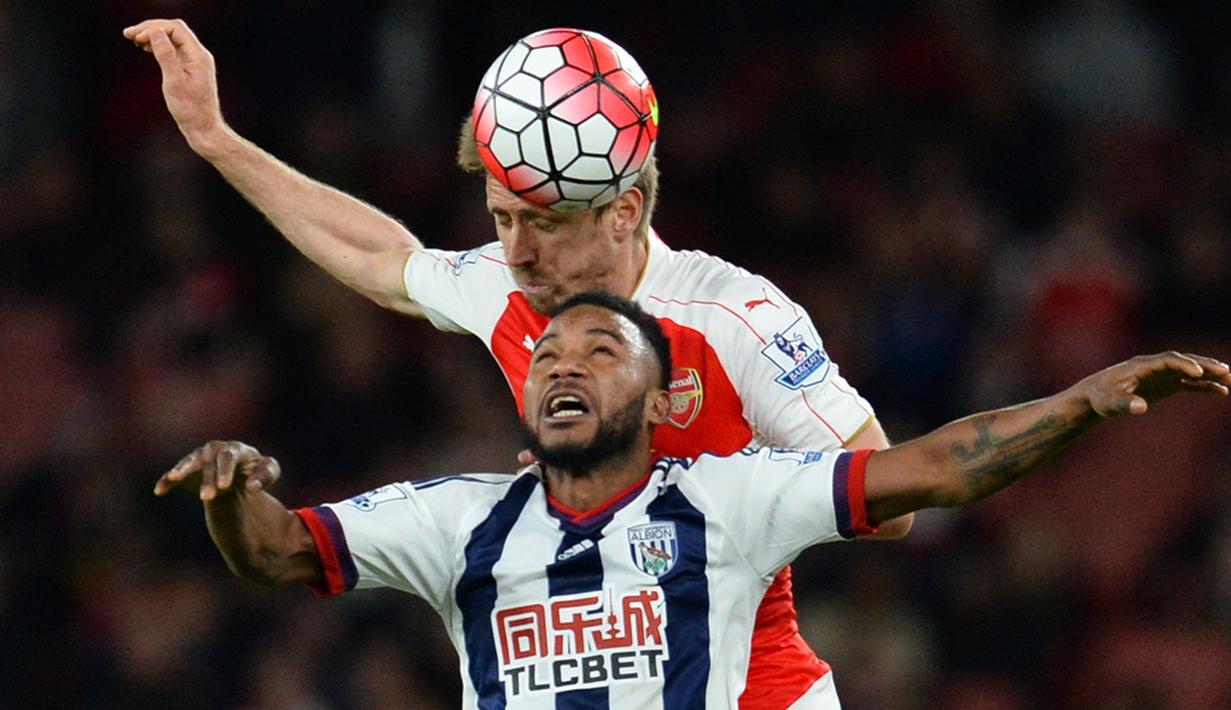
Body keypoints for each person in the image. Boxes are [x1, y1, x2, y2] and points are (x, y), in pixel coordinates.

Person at [122, 18, 906, 708]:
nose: (518, 253)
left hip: (753, 690)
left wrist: (736, 501)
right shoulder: (507, 284)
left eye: (545, 226)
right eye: (500, 220)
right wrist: (216, 141)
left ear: (625, 211)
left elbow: (888, 496)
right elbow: (382, 260)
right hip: (597, 667)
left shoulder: (733, 317)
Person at [157, 293, 1231, 708]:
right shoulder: (457, 520)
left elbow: (939, 469)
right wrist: (230, 490)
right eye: (547, 356)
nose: (562, 365)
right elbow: (278, 552)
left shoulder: (727, 498)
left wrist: (1085, 401)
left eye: (598, 349)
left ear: (665, 395)